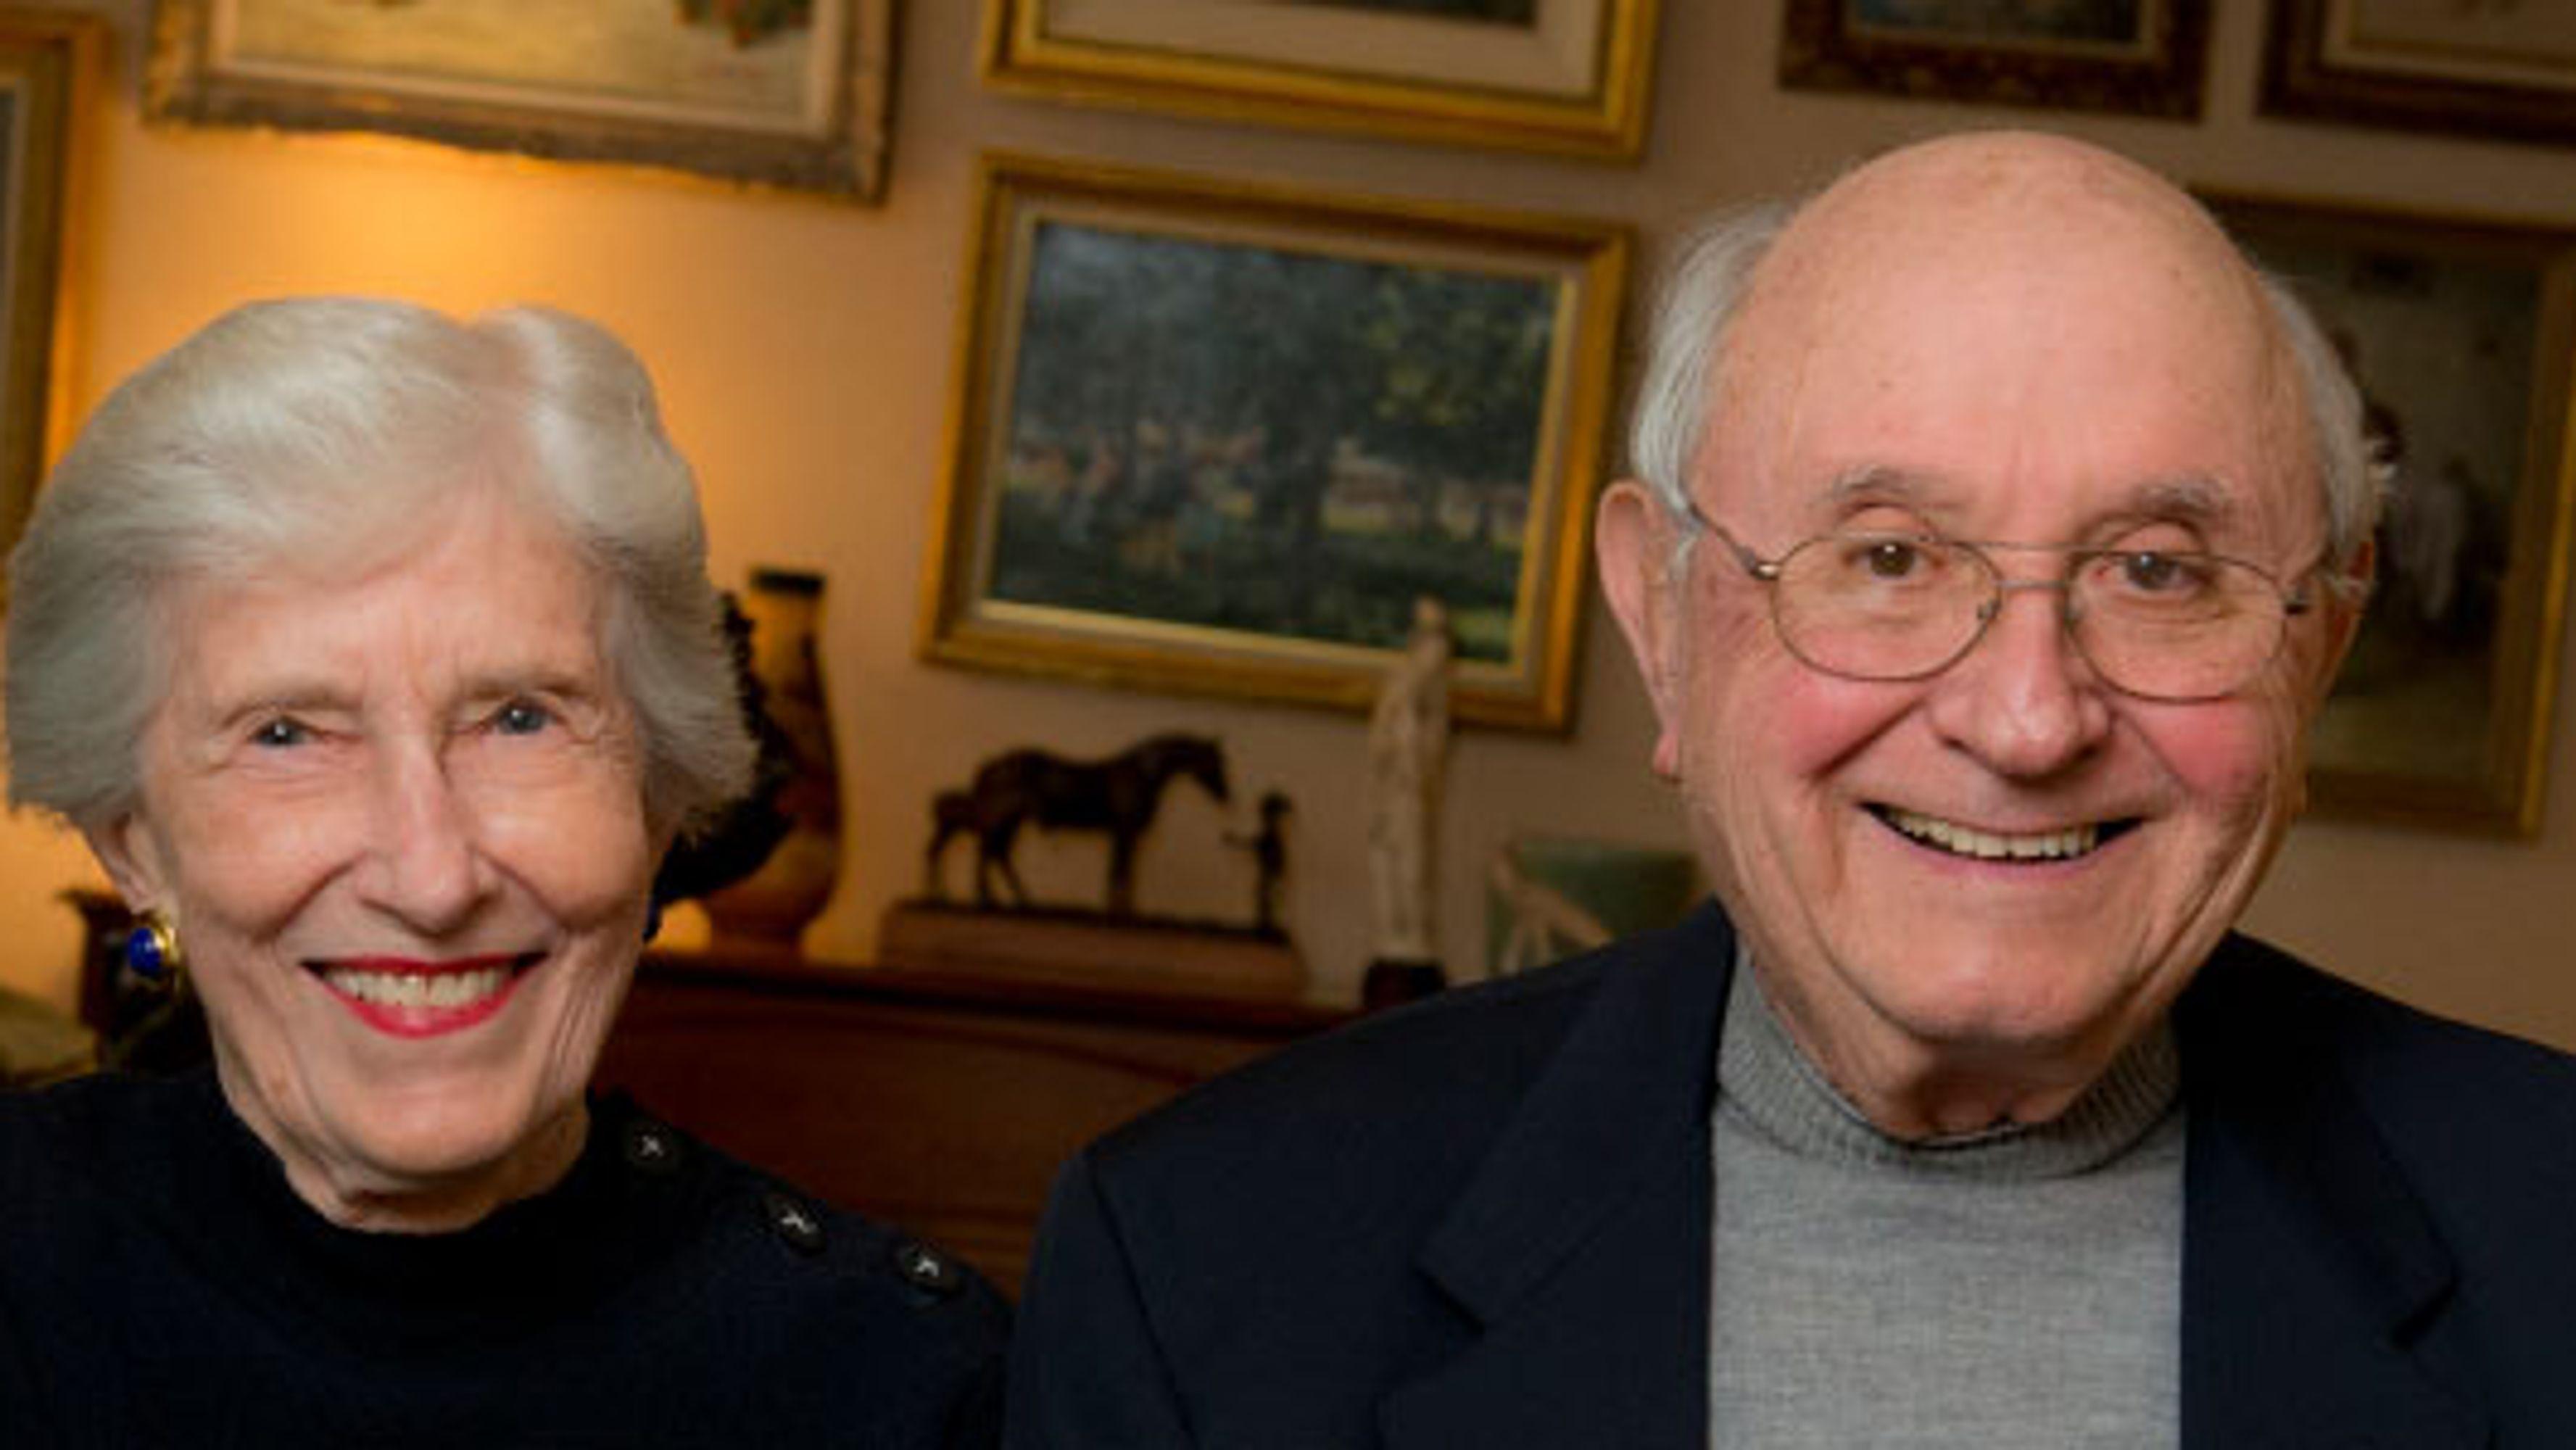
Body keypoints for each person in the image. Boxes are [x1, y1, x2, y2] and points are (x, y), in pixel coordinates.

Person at [1003, 132, 2576, 1446]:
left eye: (2158, 570)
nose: (2026, 718)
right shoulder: (1206, 1271)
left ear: (2318, 648)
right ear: (1660, 615)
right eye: (1886, 556)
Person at [0, 298, 1008, 1446]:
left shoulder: (905, 1383)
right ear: (131, 842)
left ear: (660, 797)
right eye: (287, 733)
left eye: (519, 718)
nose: (433, 880)